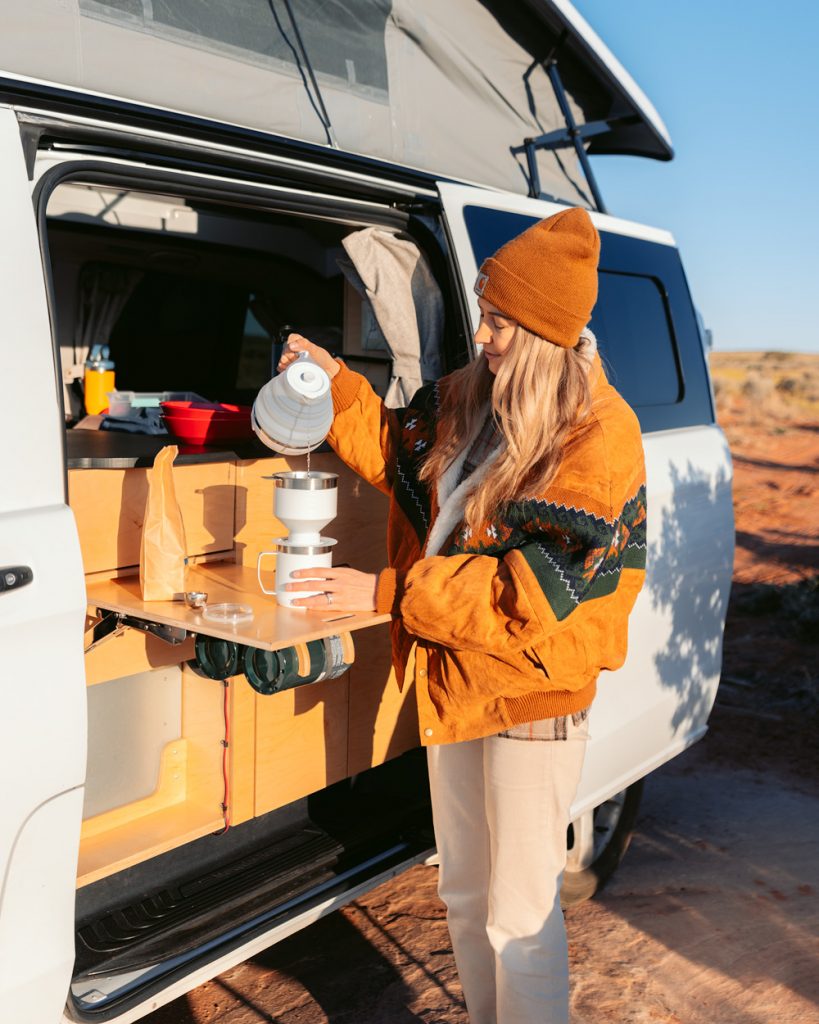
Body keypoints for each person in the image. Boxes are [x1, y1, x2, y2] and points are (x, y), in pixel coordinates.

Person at [278, 207, 647, 1024]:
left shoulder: (597, 434)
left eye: (498, 320)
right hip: (455, 678)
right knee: (463, 890)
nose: (481, 334)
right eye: (484, 313)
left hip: (529, 695)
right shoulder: (474, 397)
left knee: (518, 914)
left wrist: (384, 596)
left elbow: (529, 596)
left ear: (546, 331)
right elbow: (394, 451)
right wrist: (334, 380)